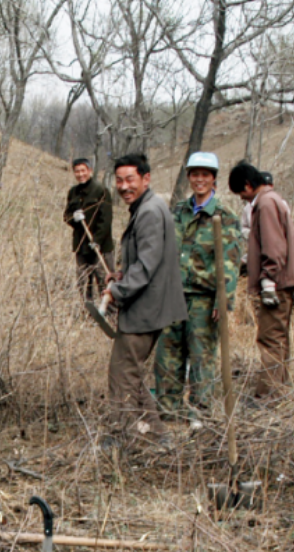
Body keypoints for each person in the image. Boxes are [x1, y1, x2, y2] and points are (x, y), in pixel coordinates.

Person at [99, 152, 187, 446]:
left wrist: (116, 291)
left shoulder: (149, 211)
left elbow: (148, 266)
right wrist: (123, 275)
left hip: (145, 308)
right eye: (119, 180)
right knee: (131, 374)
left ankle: (120, 438)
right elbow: (146, 261)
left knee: (122, 373)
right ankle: (160, 437)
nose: (124, 186)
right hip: (149, 304)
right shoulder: (146, 208)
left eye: (130, 180)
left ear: (146, 179)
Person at [154, 151, 242, 429]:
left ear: (214, 179)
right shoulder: (177, 212)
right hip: (173, 297)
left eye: (205, 175)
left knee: (202, 357)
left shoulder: (224, 217)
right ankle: (169, 415)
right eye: (195, 174)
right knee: (168, 356)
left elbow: (229, 263)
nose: (199, 180)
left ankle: (200, 417)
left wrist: (223, 300)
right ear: (189, 177)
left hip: (204, 300)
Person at [228, 161, 294, 400]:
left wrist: (268, 280)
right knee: (279, 336)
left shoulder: (264, 203)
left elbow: (273, 246)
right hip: (283, 280)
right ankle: (280, 389)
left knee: (270, 337)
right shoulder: (273, 200)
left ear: (248, 185)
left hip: (277, 282)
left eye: (241, 193)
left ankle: (268, 395)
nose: (243, 198)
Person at [63, 157, 114, 302]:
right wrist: (74, 217)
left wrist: (97, 240)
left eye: (83, 171)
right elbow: (66, 216)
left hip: (100, 246)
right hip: (81, 246)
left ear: (90, 171)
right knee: (83, 282)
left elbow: (106, 220)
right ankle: (86, 311)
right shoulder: (73, 192)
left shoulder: (101, 191)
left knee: (104, 281)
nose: (80, 174)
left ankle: (109, 313)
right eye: (77, 171)